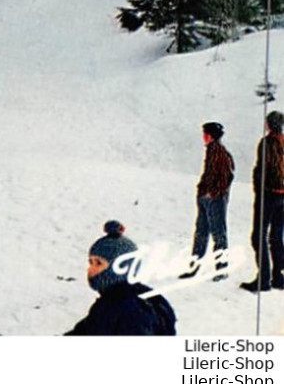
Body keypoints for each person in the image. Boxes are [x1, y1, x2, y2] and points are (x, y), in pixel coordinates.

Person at [66, 221, 176, 336]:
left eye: (98, 263)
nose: (90, 269)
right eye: (90, 262)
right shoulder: (115, 301)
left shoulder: (128, 309)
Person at [182, 121, 233, 278]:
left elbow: (227, 176)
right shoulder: (214, 151)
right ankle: (198, 267)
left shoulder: (219, 152)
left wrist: (213, 192)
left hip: (214, 199)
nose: (203, 136)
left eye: (205, 133)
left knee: (215, 234)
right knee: (203, 233)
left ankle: (220, 268)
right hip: (208, 198)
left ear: (210, 135)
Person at [242, 111, 284, 292]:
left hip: (268, 196)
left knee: (258, 236)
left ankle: (264, 279)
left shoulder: (266, 143)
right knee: (276, 236)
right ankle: (278, 276)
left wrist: (258, 189)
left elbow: (262, 169)